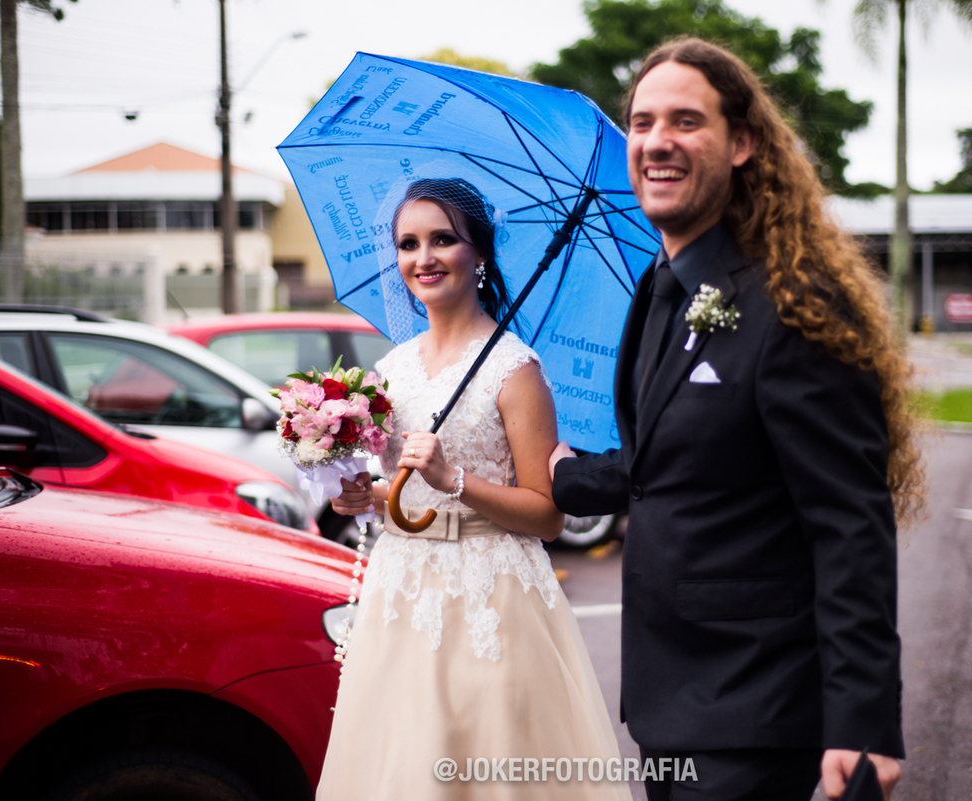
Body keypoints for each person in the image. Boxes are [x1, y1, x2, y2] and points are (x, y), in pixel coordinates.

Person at [549, 38, 924, 801]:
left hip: (756, 705)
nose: (657, 141)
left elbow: (849, 522)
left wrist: (862, 720)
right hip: (666, 702)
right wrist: (563, 474)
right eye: (643, 122)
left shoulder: (796, 304)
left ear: (744, 142)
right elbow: (665, 462)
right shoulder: (658, 290)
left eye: (686, 121)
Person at [319, 178, 632, 801]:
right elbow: (404, 496)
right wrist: (365, 495)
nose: (423, 257)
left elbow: (547, 518)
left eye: (443, 239)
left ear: (479, 254)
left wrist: (454, 479)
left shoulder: (515, 370)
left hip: (490, 595)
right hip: (401, 589)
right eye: (408, 243)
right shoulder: (390, 369)